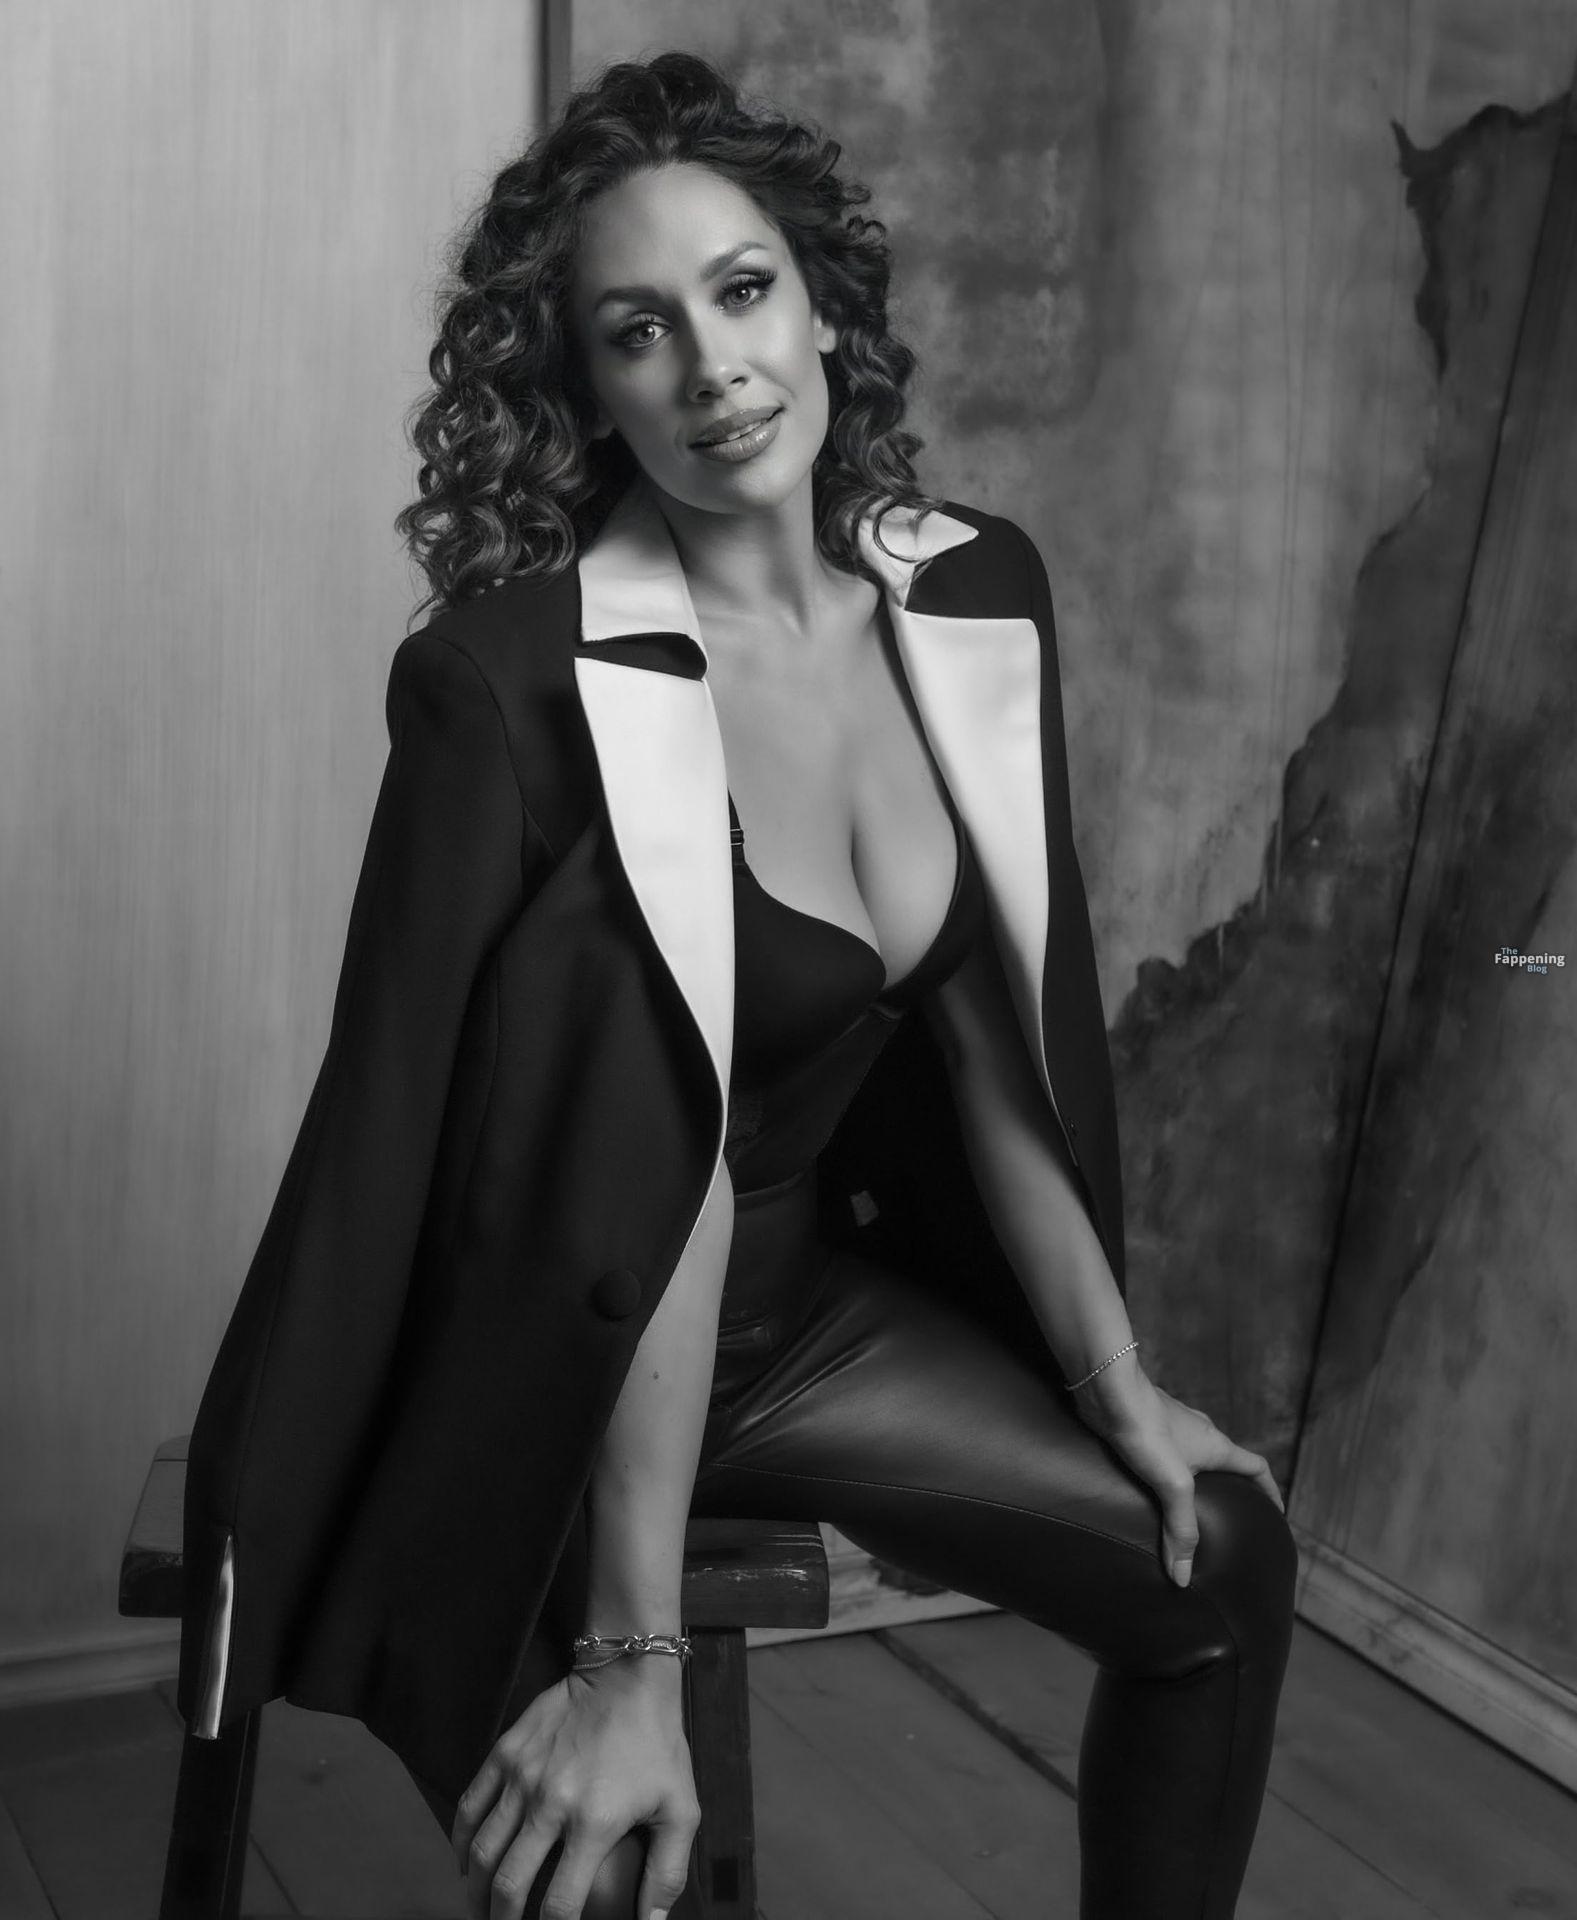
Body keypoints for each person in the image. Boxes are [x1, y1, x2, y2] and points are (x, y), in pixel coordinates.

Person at [177, 49, 1298, 1920]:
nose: (711, 368)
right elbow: (481, 1148)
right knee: (634, 1866)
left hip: (792, 1334)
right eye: (639, 332)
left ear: (823, 307)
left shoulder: (970, 599)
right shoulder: (507, 690)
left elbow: (988, 1050)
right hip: (549, 1366)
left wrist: (1119, 1387)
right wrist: (624, 1667)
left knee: (1223, 1559)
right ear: (589, 393)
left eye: (743, 290)